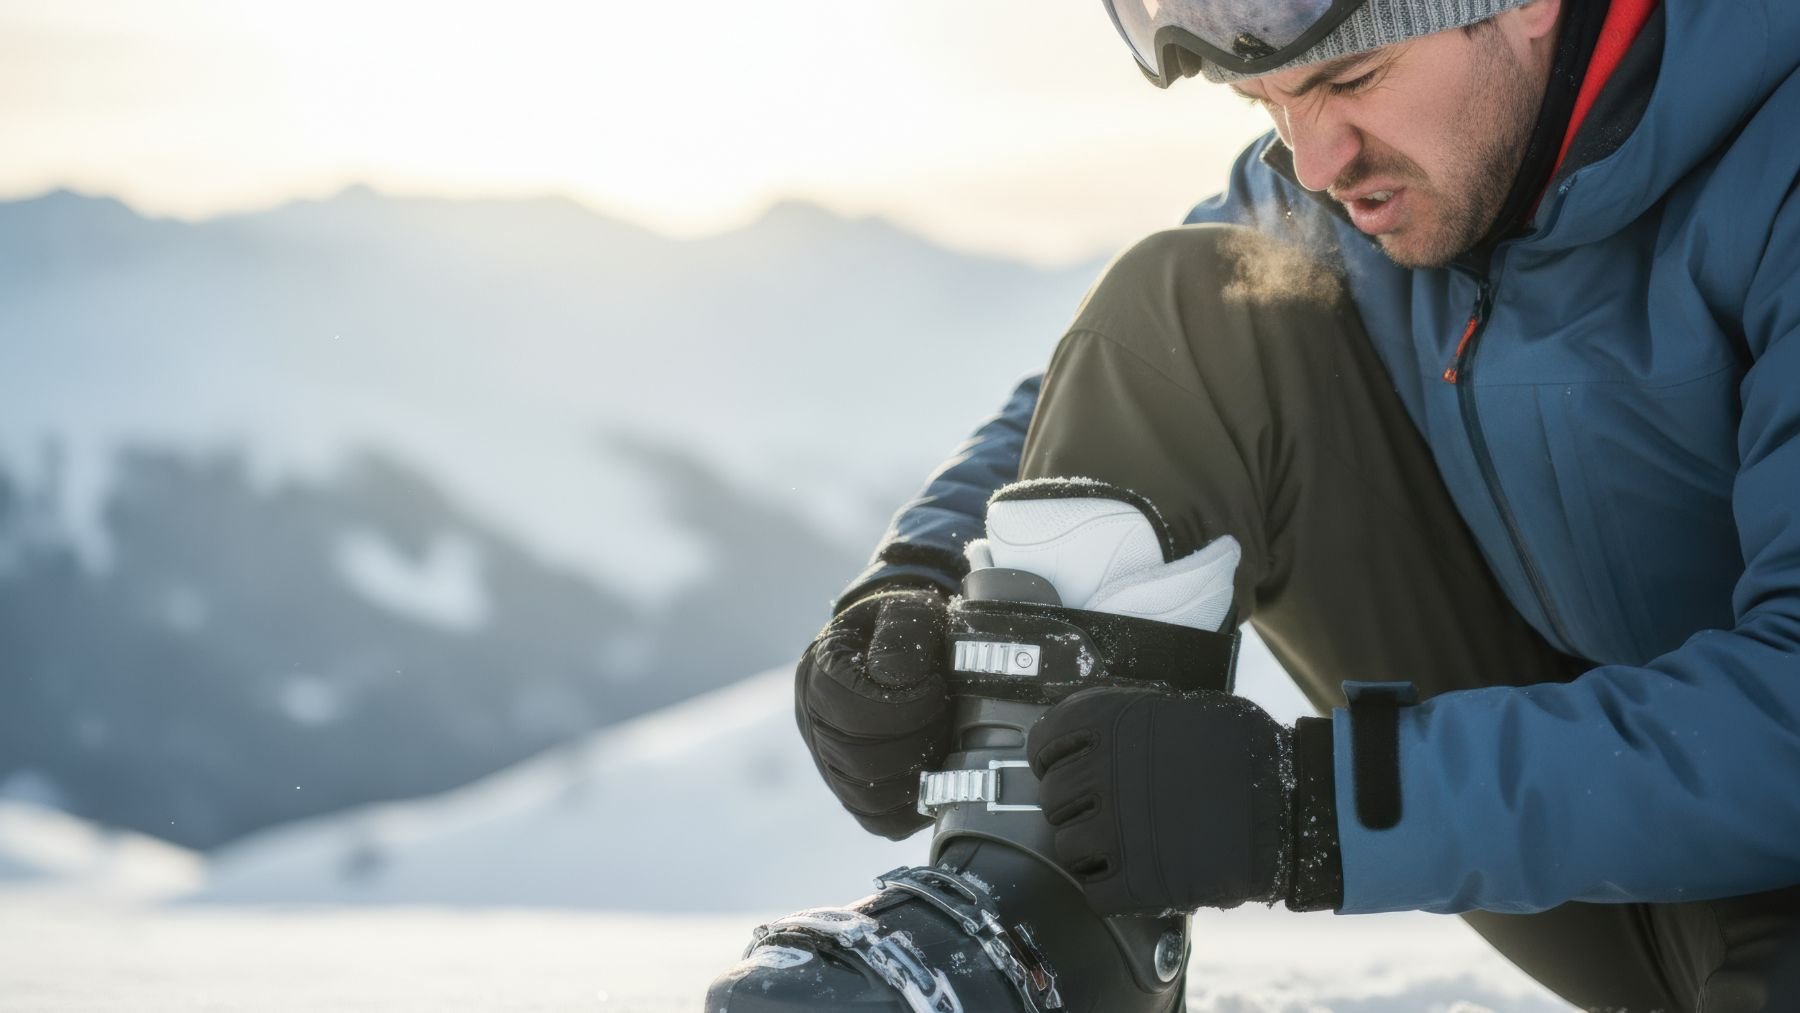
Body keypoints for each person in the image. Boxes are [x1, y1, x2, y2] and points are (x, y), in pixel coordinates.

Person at [792, 0, 1800, 1009]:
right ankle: (1036, 949)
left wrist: (1312, 805)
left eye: (1352, 81)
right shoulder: (1373, 186)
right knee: (1193, 300)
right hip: (1594, 848)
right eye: (1267, 100)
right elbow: (1136, 365)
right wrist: (920, 578)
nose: (1315, 162)